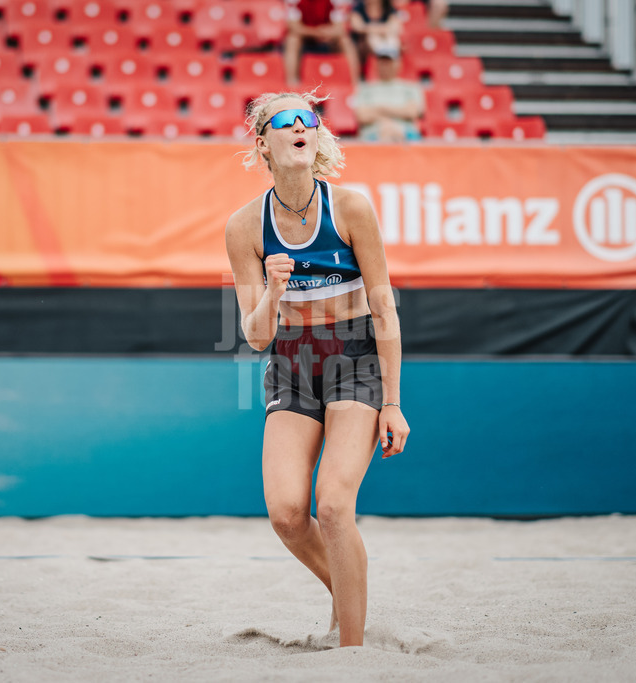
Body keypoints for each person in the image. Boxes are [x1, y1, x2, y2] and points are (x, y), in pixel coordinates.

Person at [225, 91, 409, 648]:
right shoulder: (244, 227)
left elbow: (383, 308)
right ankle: (346, 593)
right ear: (265, 142)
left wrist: (394, 404)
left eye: (309, 120)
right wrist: (273, 289)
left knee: (332, 502)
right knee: (285, 513)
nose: (301, 126)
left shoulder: (351, 208)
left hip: (354, 358)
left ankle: (352, 650)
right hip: (291, 362)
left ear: (317, 136)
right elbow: (256, 336)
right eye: (286, 121)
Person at [351, 42, 424, 142]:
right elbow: (362, 116)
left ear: (398, 64)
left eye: (388, 62)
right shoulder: (364, 89)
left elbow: (412, 112)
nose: (385, 66)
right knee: (387, 131)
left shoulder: (411, 88)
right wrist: (391, 118)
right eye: (382, 62)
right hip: (373, 135)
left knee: (392, 132)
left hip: (406, 134)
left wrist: (379, 109)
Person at [283, 0, 361, 86]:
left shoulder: (334, 2)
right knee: (292, 40)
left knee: (345, 41)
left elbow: (340, 29)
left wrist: (326, 33)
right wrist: (316, 32)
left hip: (327, 38)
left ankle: (355, 83)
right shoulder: (295, 2)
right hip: (306, 37)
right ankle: (291, 83)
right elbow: (294, 28)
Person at [349, 0, 401, 70]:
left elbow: (395, 27)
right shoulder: (358, 8)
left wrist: (370, 28)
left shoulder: (388, 7)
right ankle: (383, 62)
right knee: (372, 37)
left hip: (385, 39)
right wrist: (381, 29)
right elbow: (357, 27)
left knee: (391, 39)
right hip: (364, 44)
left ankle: (390, 65)